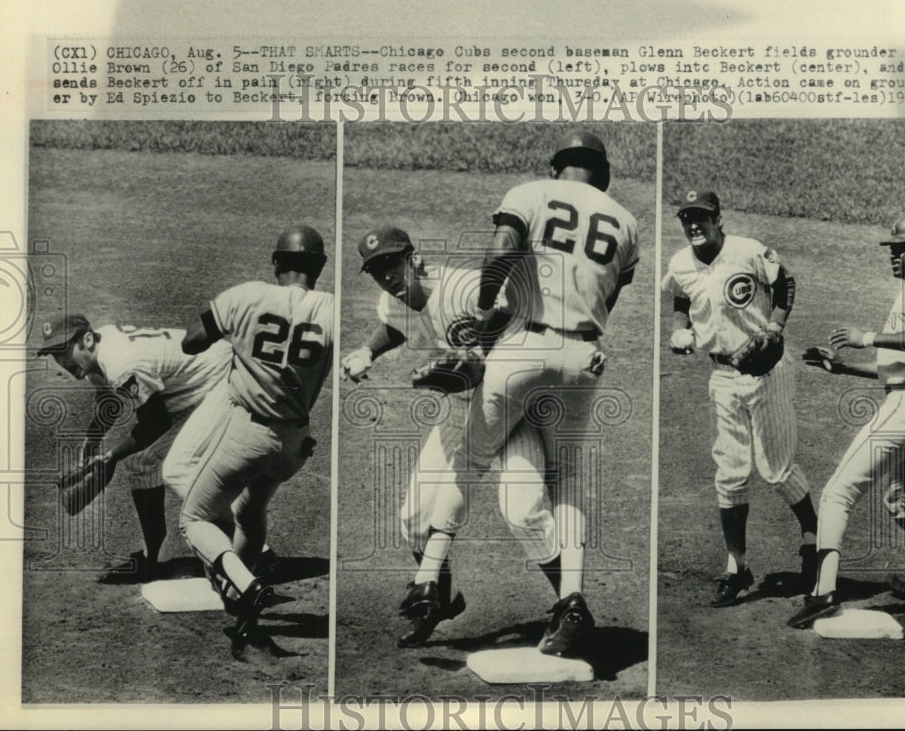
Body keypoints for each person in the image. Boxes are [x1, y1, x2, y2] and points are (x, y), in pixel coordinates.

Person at [412, 128, 639, 657]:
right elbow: (611, 292)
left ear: (557, 165)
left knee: (469, 456)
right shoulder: (626, 222)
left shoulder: (531, 192)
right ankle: (574, 599)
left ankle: (427, 578)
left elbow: (504, 250)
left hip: (521, 347)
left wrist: (487, 304)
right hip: (584, 358)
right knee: (566, 477)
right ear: (602, 175)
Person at [342, 225, 557, 647]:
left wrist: (468, 367)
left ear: (414, 258)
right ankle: (441, 599)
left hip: (510, 406)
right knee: (414, 521)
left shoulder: (464, 288)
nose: (385, 276)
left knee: (524, 514)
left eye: (390, 264)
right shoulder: (394, 298)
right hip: (460, 414)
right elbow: (396, 325)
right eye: (375, 270)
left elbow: (516, 331)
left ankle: (571, 607)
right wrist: (367, 350)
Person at [788, 214, 905, 628]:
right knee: (901, 504)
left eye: (899, 248)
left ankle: (822, 593)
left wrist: (865, 336)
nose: (892, 255)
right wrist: (844, 368)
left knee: (836, 493)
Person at [178, 224, 335, 651]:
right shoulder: (332, 310)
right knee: (251, 509)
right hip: (295, 445)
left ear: (276, 262)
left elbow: (192, 342)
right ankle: (242, 602)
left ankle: (246, 587)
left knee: (195, 519)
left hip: (247, 436)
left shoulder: (246, 295)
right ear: (319, 267)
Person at [662, 189, 817, 608]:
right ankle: (737, 566)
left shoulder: (747, 251)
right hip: (722, 376)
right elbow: (680, 294)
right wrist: (681, 329)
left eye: (702, 217)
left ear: (717, 218)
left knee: (777, 471)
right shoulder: (679, 262)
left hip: (767, 374)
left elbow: (785, 280)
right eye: (687, 218)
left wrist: (775, 326)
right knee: (730, 474)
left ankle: (812, 537)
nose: (694, 224)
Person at [37, 312, 233, 580]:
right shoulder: (96, 356)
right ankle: (155, 558)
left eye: (63, 349)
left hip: (217, 376)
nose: (60, 360)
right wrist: (91, 441)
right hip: (185, 384)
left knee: (178, 466)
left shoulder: (119, 360)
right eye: (53, 353)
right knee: (141, 462)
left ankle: (251, 548)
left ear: (87, 340)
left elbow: (156, 422)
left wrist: (111, 456)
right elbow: (107, 397)